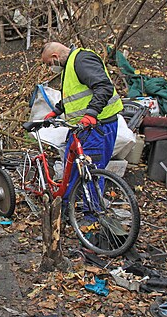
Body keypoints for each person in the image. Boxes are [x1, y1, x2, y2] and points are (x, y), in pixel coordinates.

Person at [40, 42, 123, 203]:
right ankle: (66, 208)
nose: (50, 68)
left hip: (98, 126)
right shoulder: (69, 66)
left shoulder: (82, 60)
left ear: (55, 57)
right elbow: (75, 96)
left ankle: (91, 218)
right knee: (70, 171)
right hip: (81, 128)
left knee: (90, 172)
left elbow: (103, 87)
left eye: (49, 64)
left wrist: (92, 114)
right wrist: (57, 110)